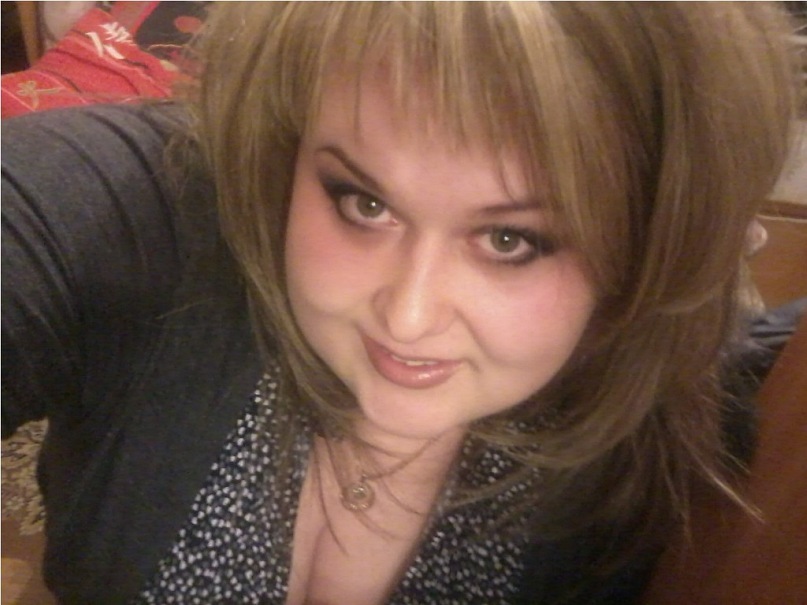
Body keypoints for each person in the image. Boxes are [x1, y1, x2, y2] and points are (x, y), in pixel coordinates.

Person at [1, 2, 799, 604]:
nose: (407, 316)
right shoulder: (142, 222)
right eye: (364, 202)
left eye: (511, 239)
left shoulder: (686, 417)